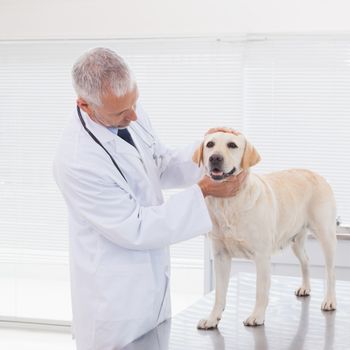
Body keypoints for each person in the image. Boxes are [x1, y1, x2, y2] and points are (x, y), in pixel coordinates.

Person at [53, 47, 246, 350]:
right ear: (85, 105)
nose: (133, 115)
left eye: (135, 102)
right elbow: (136, 227)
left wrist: (209, 153)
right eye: (121, 112)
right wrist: (204, 191)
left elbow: (159, 163)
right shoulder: (77, 160)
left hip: (152, 287)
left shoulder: (128, 110)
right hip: (114, 302)